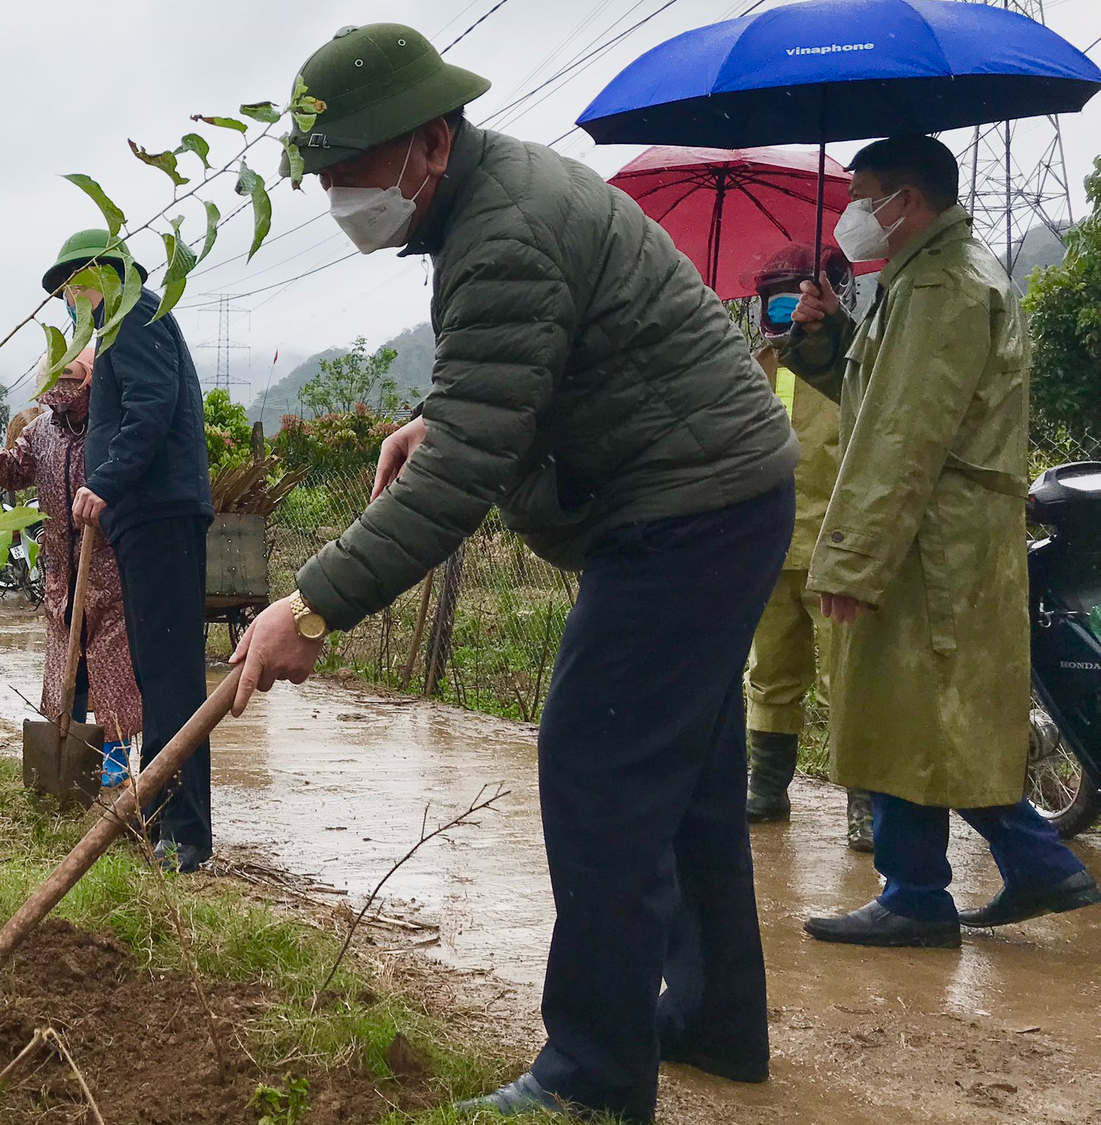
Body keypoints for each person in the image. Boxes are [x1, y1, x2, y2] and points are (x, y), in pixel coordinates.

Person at [230, 25, 797, 1122]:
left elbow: (457, 485)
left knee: (596, 768)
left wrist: (311, 604)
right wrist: (433, 416)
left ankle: (590, 1077)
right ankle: (715, 1021)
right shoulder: (493, 204)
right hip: (716, 494)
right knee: (681, 787)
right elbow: (527, 371)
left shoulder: (499, 231)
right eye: (323, 176)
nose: (338, 197)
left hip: (682, 513)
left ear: (428, 145)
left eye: (350, 173)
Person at [785, 135, 1099, 949]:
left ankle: (946, 883)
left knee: (924, 713)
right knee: (919, 714)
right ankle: (956, 879)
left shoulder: (943, 285)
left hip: (930, 537)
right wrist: (825, 338)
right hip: (932, 532)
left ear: (907, 203)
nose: (852, 215)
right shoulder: (924, 276)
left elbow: (901, 434)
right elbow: (879, 395)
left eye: (862, 198)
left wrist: (853, 557)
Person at [48, 229, 216, 872]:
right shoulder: (126, 319)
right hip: (147, 518)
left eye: (72, 287)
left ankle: (183, 833)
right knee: (156, 673)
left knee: (171, 676)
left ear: (103, 277)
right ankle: (157, 815)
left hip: (161, 511)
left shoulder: (133, 311)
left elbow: (152, 405)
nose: (69, 302)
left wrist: (105, 481)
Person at [0, 349, 142, 783]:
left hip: (110, 568)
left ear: (91, 381)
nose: (62, 391)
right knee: (68, 668)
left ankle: (115, 758)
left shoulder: (110, 429)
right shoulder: (40, 432)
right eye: (55, 381)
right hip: (61, 572)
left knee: (112, 667)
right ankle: (69, 753)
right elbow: (15, 470)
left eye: (72, 379)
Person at [745, 246, 872, 851]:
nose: (787, 313)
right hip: (768, 544)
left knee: (847, 680)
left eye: (796, 298)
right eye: (777, 302)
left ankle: (865, 806)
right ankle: (766, 788)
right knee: (771, 673)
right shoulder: (755, 368)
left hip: (838, 546)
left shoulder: (856, 366)